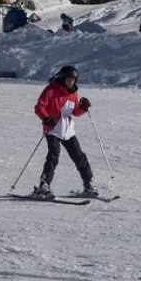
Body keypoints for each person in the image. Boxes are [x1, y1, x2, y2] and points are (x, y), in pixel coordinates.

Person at [33, 65, 96, 198]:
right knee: (53, 155)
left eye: (73, 79)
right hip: (52, 128)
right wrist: (46, 119)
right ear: (62, 78)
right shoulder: (50, 90)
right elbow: (39, 107)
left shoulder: (73, 93)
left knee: (78, 155)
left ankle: (88, 183)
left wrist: (83, 108)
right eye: (68, 79)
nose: (70, 82)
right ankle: (44, 185)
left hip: (67, 128)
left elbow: (75, 111)